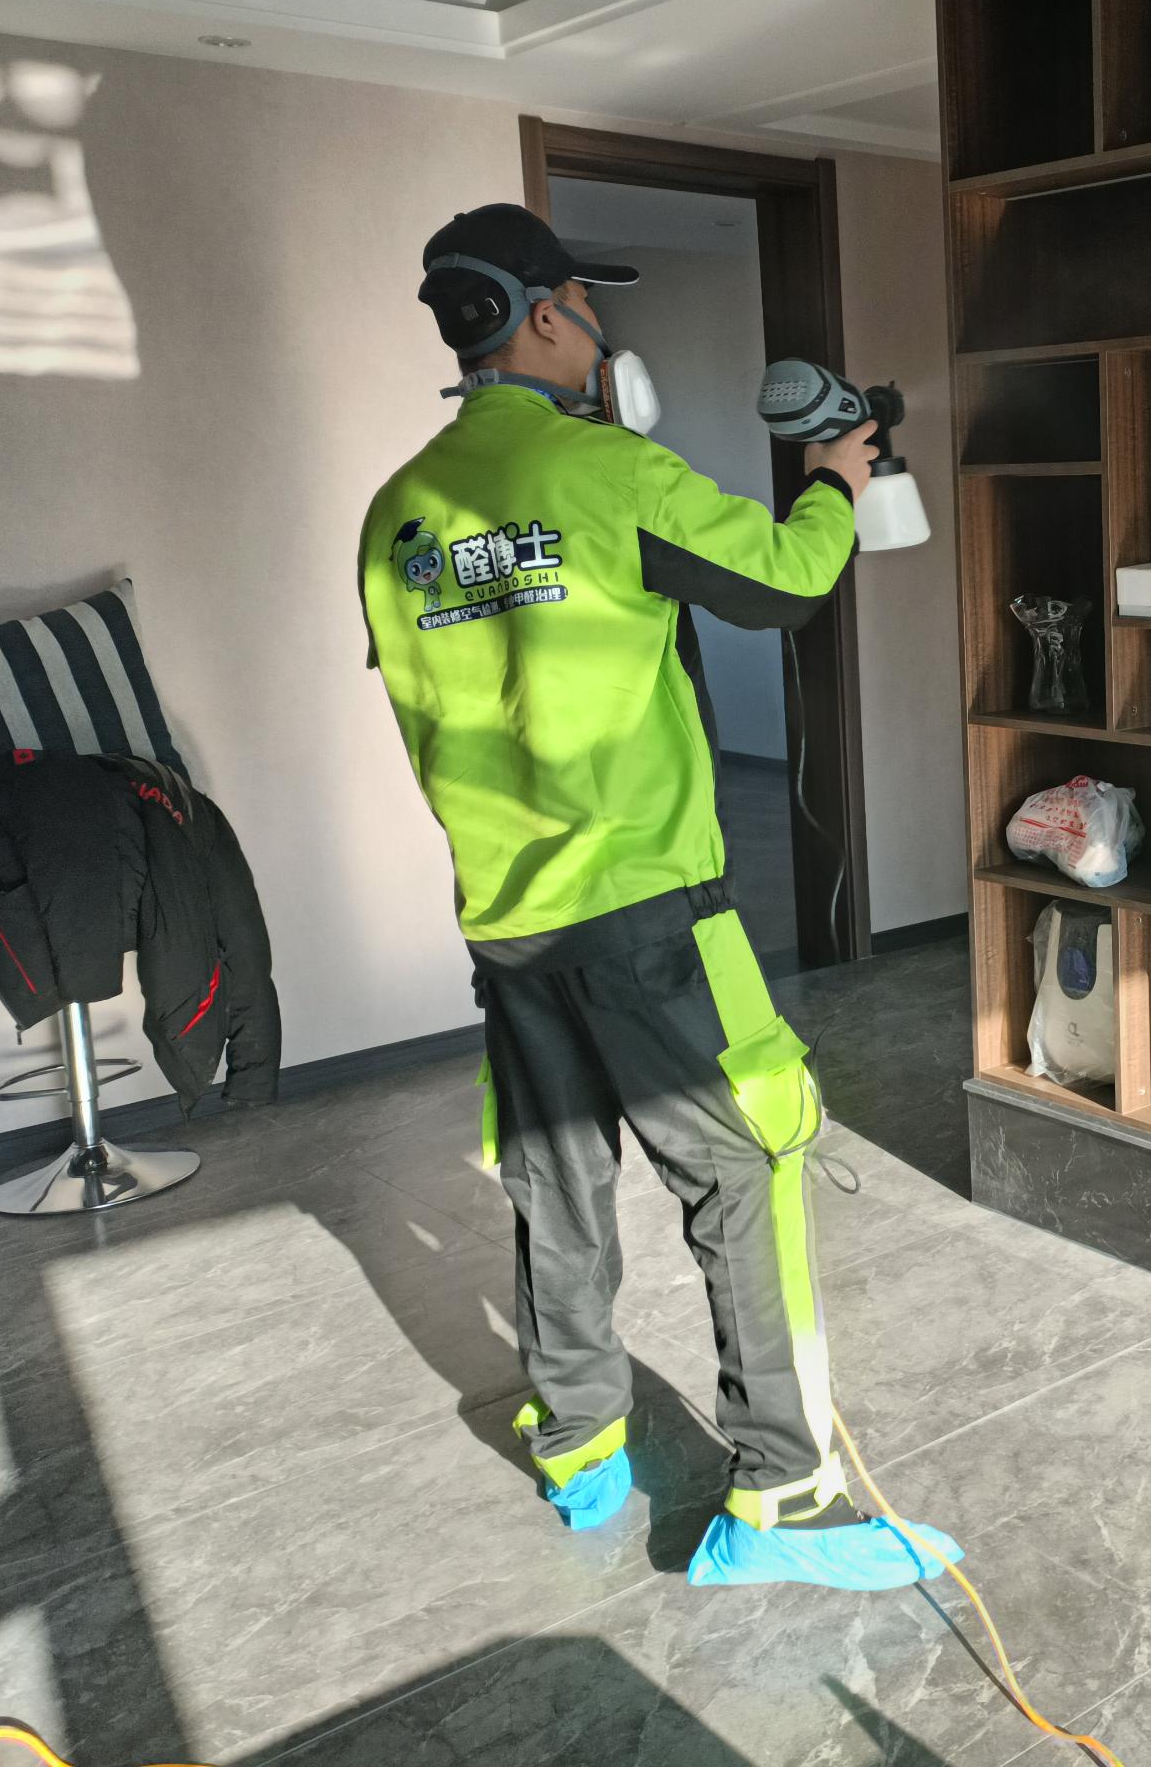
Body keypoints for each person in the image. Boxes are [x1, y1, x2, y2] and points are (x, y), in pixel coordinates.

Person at [356, 202, 960, 1591]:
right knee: (747, 1166)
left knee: (557, 1176)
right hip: (645, 906)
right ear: (545, 316)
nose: (598, 333)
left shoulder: (397, 515)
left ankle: (580, 1452)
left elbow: (435, 696)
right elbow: (789, 582)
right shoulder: (606, 469)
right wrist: (835, 474)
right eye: (585, 306)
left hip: (508, 915)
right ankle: (785, 1499)